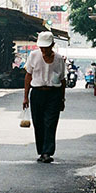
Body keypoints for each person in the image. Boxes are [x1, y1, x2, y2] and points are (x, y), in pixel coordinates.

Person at [22, 31, 66, 163]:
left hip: (54, 94)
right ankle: (41, 151)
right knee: (38, 123)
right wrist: (25, 97)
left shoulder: (59, 59)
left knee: (50, 123)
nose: (44, 50)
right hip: (37, 93)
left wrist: (62, 99)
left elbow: (62, 80)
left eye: (47, 47)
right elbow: (28, 76)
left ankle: (47, 152)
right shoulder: (34, 56)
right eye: (42, 47)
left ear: (52, 45)